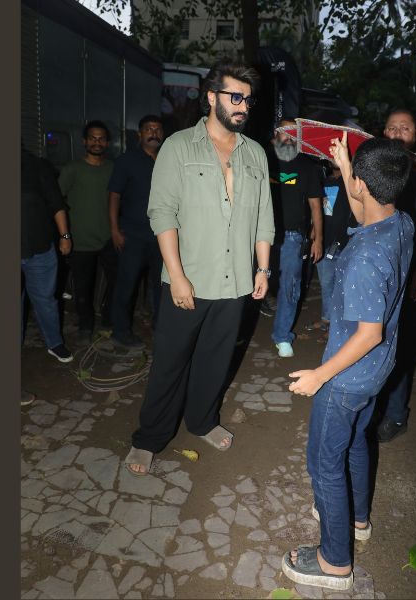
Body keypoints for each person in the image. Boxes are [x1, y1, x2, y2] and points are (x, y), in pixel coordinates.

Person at [123, 62, 274, 475]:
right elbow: (161, 213)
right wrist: (177, 276)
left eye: (248, 100)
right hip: (187, 280)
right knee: (170, 364)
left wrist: (262, 270)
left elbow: (263, 217)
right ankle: (149, 437)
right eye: (235, 97)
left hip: (235, 282)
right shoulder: (178, 147)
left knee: (215, 361)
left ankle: (203, 421)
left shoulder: (255, 153)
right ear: (211, 97)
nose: (243, 106)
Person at [281, 134, 414, 591]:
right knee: (355, 441)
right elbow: (367, 213)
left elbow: (368, 333)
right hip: (377, 371)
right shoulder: (399, 223)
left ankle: (335, 562)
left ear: (359, 185)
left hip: (347, 377)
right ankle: (358, 520)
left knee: (324, 463)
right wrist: (345, 164)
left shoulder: (365, 257)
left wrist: (319, 376)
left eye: (353, 177)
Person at [374, 109, 416, 442]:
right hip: (379, 266)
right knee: (374, 335)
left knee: (401, 341)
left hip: (411, 268)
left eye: (405, 128)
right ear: (384, 134)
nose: (398, 133)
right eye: (392, 128)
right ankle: (374, 401)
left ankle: (396, 414)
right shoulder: (378, 168)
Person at [267, 118, 324, 358]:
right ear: (275, 135)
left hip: (292, 237)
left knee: (290, 287)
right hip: (260, 235)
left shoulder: (307, 167)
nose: (289, 138)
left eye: (294, 133)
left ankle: (282, 336)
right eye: (285, 132)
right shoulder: (262, 160)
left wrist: (318, 239)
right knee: (249, 282)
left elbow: (315, 206)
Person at [107, 114, 165, 350]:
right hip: (133, 235)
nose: (154, 133)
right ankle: (120, 332)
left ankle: (161, 327)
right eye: (149, 129)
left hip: (163, 235)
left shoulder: (169, 159)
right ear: (140, 134)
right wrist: (114, 230)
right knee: (127, 285)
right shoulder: (127, 161)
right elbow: (114, 195)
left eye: (158, 129)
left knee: (162, 285)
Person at [57, 120, 117, 345]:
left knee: (117, 281)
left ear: (107, 143)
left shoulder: (113, 168)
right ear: (84, 141)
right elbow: (57, 202)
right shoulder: (72, 169)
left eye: (101, 138)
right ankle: (85, 326)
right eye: (92, 138)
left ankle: (108, 319)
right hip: (80, 240)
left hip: (109, 238)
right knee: (83, 287)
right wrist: (64, 235)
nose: (97, 142)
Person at [21, 146, 74, 364]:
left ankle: (54, 343)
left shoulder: (37, 165)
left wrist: (65, 235)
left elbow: (56, 203)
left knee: (45, 300)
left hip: (40, 248)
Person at [305, 157, 357, 335]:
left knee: (342, 286)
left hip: (344, 242)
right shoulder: (323, 182)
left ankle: (338, 325)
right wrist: (314, 235)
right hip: (323, 241)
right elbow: (316, 210)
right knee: (326, 284)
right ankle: (327, 320)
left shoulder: (352, 182)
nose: (334, 160)